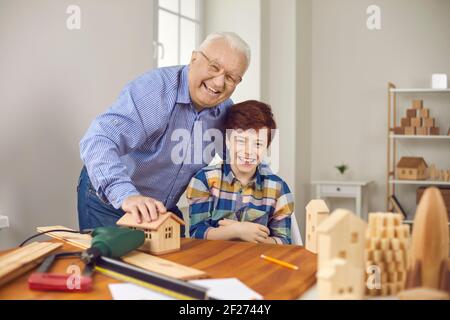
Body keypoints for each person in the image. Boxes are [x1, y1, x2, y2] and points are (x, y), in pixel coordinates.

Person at [77, 32, 251, 230]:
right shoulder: (154, 91)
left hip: (161, 208)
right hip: (111, 200)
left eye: (231, 77)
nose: (219, 83)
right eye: (214, 67)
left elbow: (243, 161)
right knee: (110, 261)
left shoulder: (226, 110)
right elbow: (98, 139)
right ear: (194, 58)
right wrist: (127, 195)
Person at [187, 100, 294, 244]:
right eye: (241, 141)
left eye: (258, 144)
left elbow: (283, 242)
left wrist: (247, 234)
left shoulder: (278, 188)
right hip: (214, 262)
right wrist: (237, 230)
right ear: (228, 141)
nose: (248, 152)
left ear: (266, 147)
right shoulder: (204, 180)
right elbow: (196, 234)